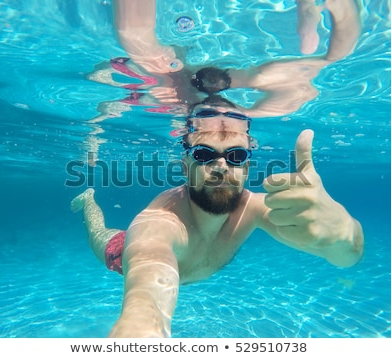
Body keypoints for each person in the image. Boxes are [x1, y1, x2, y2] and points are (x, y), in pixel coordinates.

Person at [71, 96, 364, 337]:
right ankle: (88, 201)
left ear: (246, 169)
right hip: (122, 251)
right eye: (204, 155)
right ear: (185, 168)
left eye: (236, 156)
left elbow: (348, 257)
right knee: (101, 232)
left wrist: (344, 232)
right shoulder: (158, 224)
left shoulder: (254, 209)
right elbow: (144, 305)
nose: (221, 166)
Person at [87, 0, 362, 119]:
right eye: (235, 153)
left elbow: (110, 104)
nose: (218, 129)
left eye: (205, 151)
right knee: (332, 58)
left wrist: (95, 135)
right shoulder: (263, 101)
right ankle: (319, 10)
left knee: (133, 37)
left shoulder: (165, 98)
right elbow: (329, 61)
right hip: (218, 76)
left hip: (174, 72)